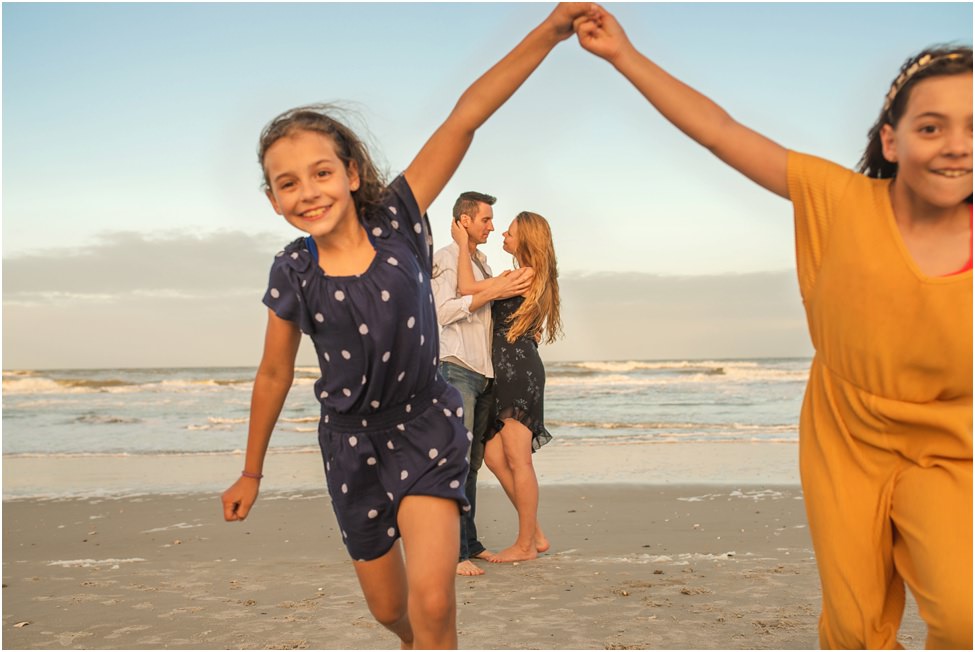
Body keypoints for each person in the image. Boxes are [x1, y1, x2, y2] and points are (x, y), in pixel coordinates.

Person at [575, 7, 972, 649]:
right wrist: (625, 56)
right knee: (853, 625)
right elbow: (720, 130)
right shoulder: (837, 200)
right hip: (847, 439)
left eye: (972, 129)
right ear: (893, 141)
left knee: (963, 614)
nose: (956, 144)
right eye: (932, 126)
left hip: (952, 447)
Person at [219, 4, 596, 649]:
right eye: (287, 183)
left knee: (433, 600)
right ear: (273, 199)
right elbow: (275, 371)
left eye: (320, 172)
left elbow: (466, 115)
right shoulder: (293, 271)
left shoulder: (396, 217)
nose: (307, 191)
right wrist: (250, 471)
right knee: (391, 610)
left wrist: (549, 32)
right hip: (350, 446)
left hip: (427, 424)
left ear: (351, 173)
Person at [432, 192, 534, 576]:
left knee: (471, 466)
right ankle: (453, 553)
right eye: (486, 219)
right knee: (454, 462)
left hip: (484, 373)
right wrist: (485, 295)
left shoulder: (482, 263)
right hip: (456, 368)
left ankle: (469, 542)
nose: (492, 226)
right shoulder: (445, 258)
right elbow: (442, 312)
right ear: (464, 221)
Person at [452, 210, 563, 563]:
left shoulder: (525, 275)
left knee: (518, 460)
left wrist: (460, 247)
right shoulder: (519, 275)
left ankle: (525, 545)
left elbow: (467, 289)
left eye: (510, 232)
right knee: (496, 457)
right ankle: (537, 534)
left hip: (518, 373)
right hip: (504, 371)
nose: (502, 235)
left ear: (526, 238)